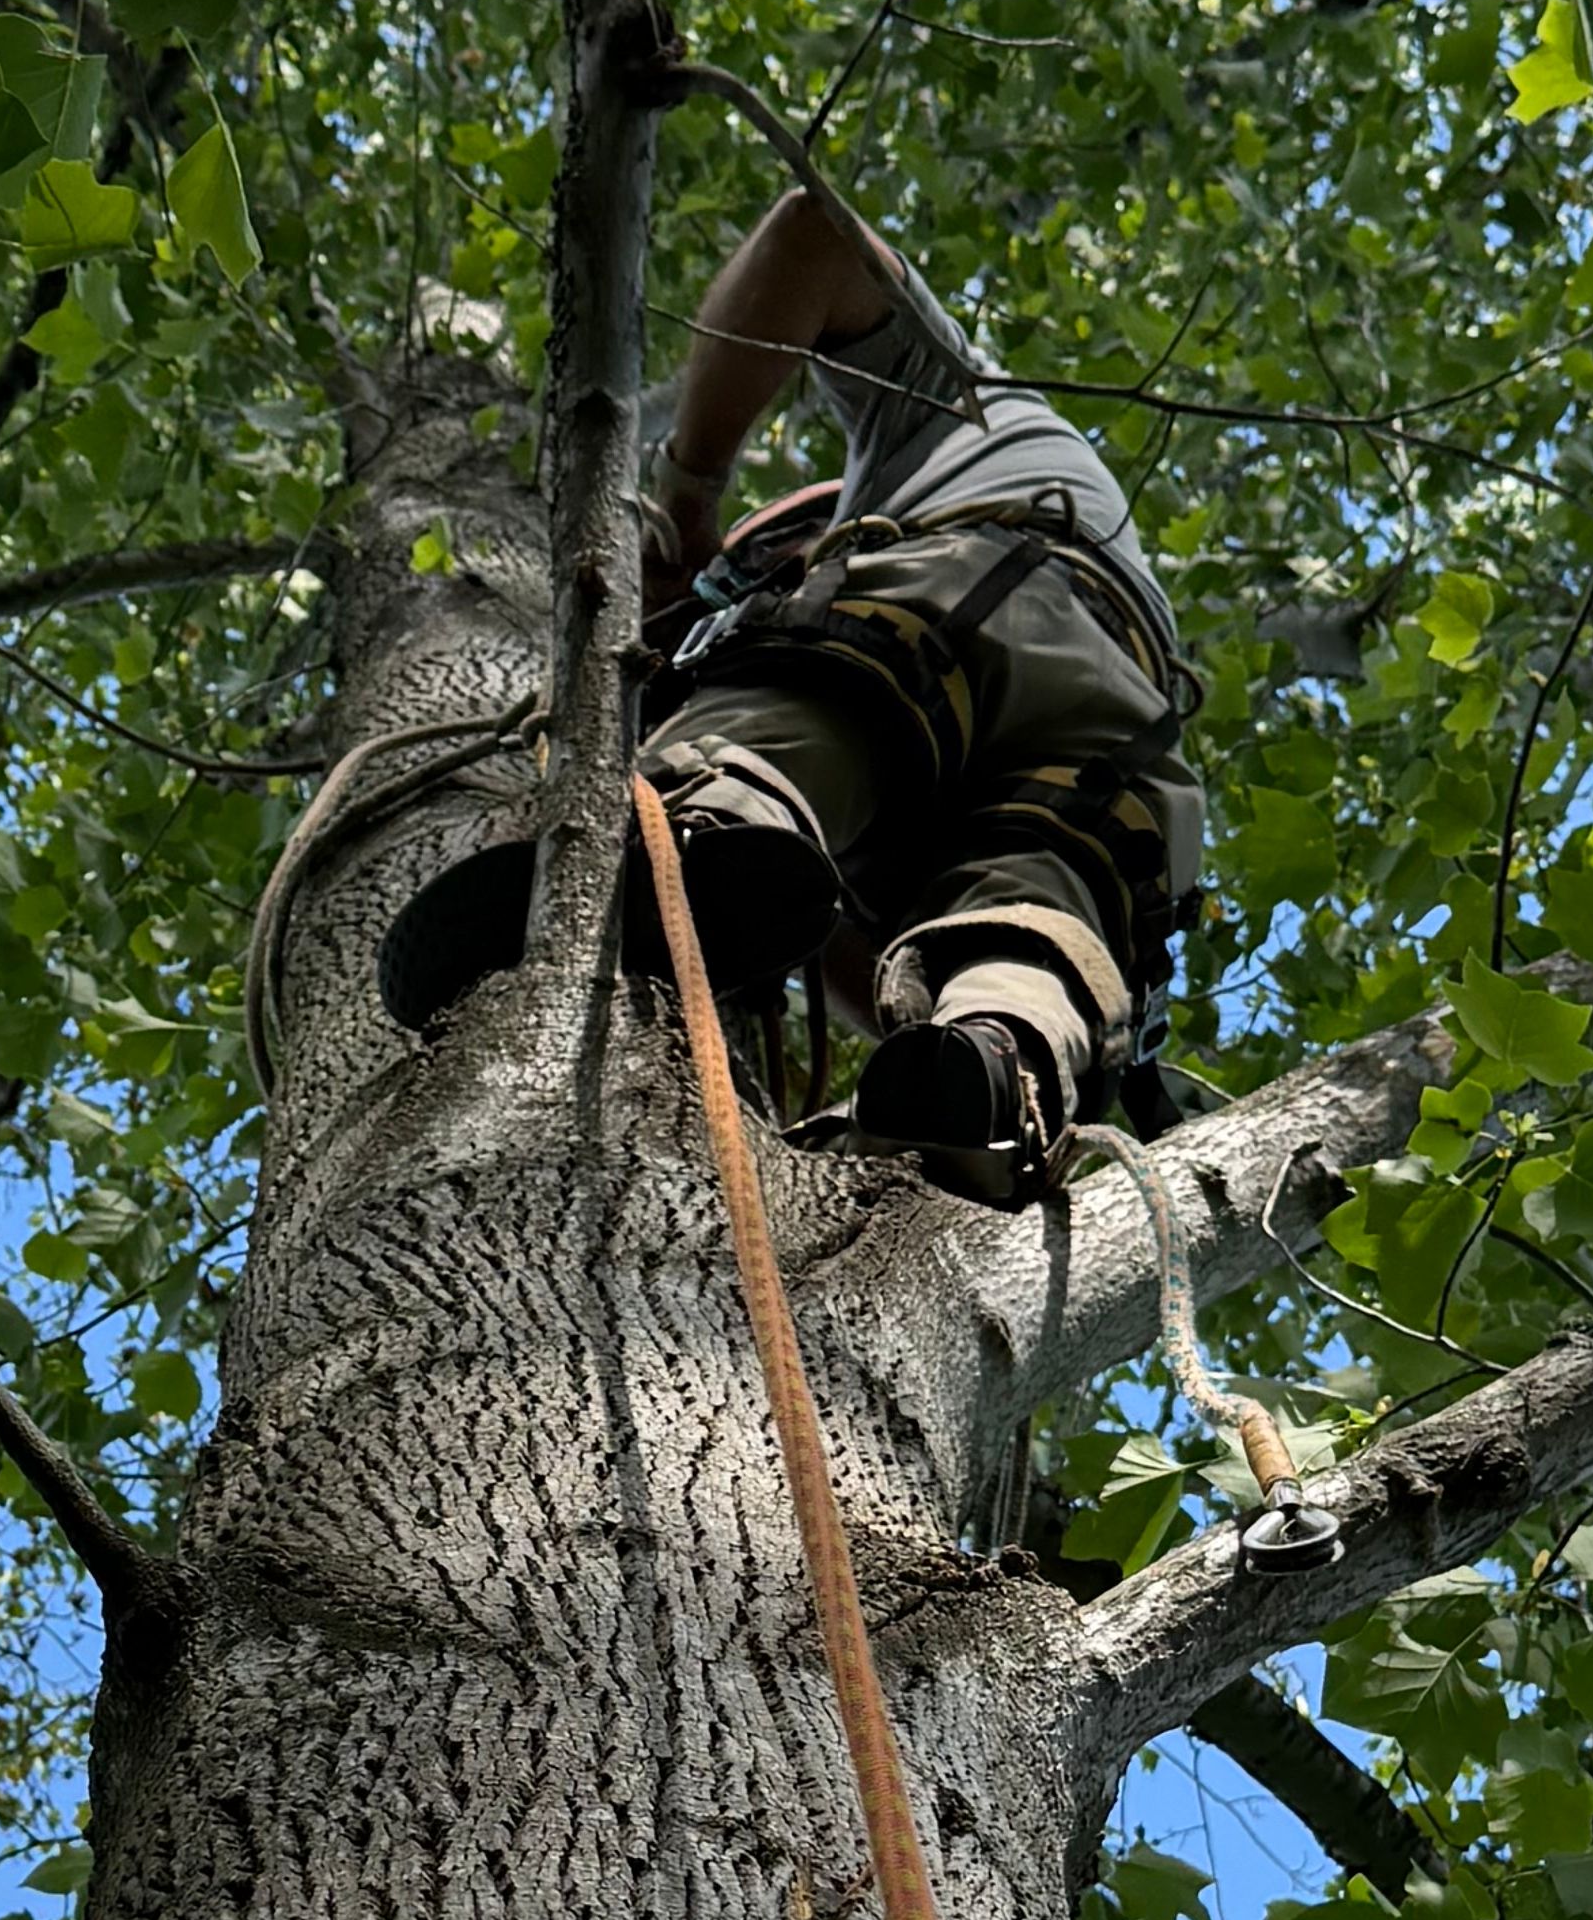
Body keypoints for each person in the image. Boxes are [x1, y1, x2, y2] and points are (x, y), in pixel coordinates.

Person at [378, 180, 1204, 1198]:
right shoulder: (1087, 541)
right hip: (1123, 754)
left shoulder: (941, 430)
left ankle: (701, 826)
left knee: (788, 717)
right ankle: (1003, 1059)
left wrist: (689, 494)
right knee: (1030, 921)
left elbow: (816, 234)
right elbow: (872, 935)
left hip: (955, 604)